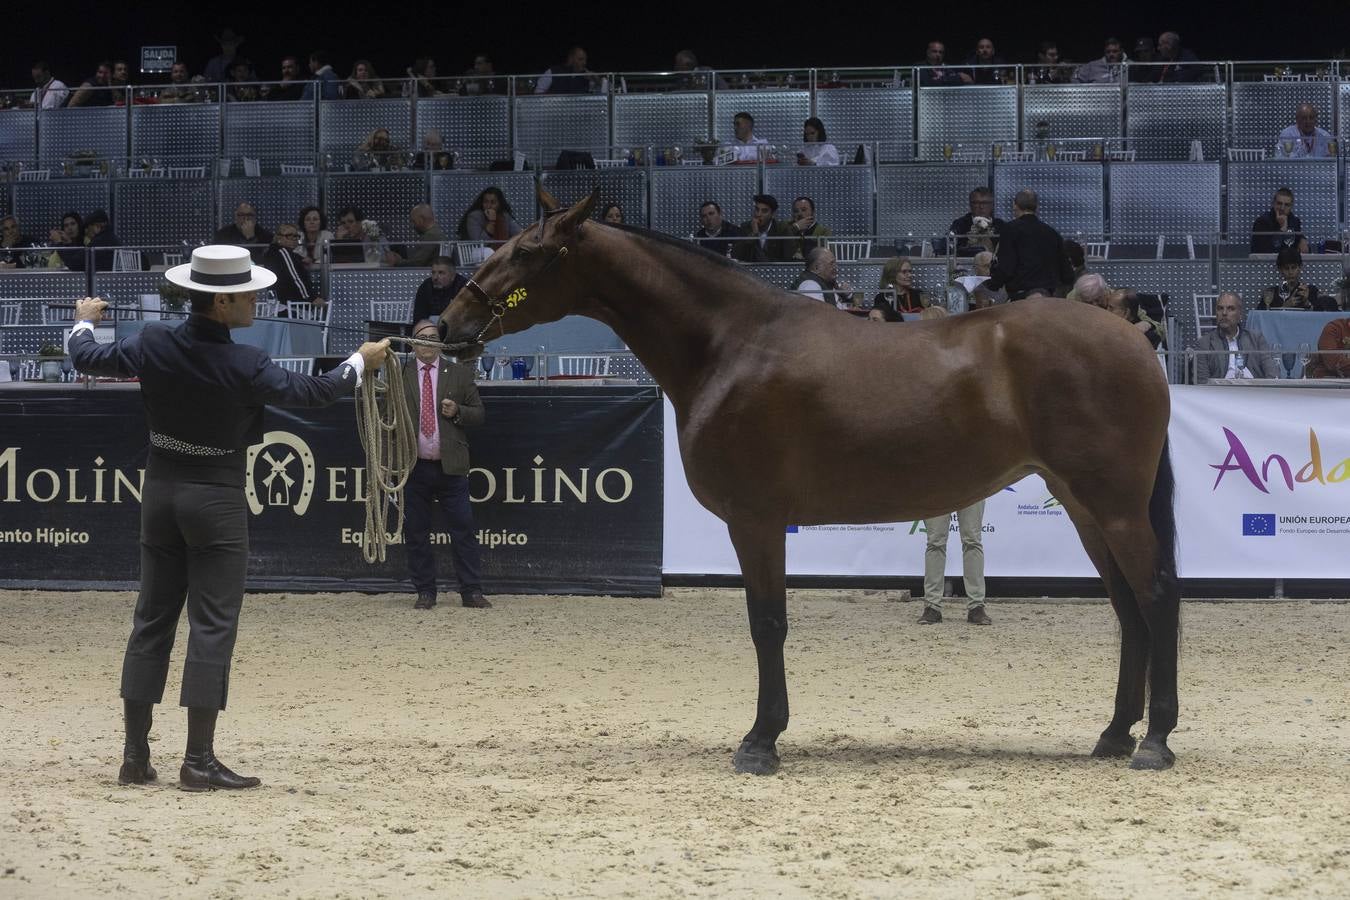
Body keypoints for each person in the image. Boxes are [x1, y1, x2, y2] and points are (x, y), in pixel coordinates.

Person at [67, 245, 390, 791]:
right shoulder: (245, 363)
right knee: (212, 625)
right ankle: (197, 760)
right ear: (221, 303)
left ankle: (135, 755)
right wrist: (361, 362)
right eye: (248, 294)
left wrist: (82, 322)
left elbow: (86, 358)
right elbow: (315, 393)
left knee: (151, 620)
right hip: (215, 494)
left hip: (161, 490)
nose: (257, 300)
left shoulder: (153, 343)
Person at [403, 319, 491, 611]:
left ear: (440, 343)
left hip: (451, 466)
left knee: (463, 529)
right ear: (412, 343)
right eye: (421, 337)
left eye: (432, 337)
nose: (427, 342)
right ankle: (425, 592)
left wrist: (458, 412)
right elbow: (384, 414)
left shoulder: (459, 373)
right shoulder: (399, 374)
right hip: (414, 466)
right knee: (416, 531)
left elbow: (478, 415)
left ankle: (471, 591)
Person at [916, 307, 991, 626]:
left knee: (970, 538)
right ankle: (934, 604)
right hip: (940, 469)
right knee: (938, 540)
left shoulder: (966, 371)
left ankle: (975, 604)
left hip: (967, 468)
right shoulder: (921, 377)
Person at [985, 190, 1074, 300]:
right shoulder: (1052, 232)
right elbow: (1067, 272)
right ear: (1037, 207)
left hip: (1021, 296)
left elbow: (1006, 266)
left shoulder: (1010, 230)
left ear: (1015, 205)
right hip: (1049, 298)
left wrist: (993, 284)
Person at [1194, 291, 1279, 383]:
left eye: (1230, 308)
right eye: (1220, 308)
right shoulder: (1204, 344)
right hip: (1221, 393)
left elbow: (1272, 374)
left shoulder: (1256, 339)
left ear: (1240, 314)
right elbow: (1201, 383)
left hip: (1254, 392)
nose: (1224, 313)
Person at [261, 224, 324, 309]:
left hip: (280, 306)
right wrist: (312, 298)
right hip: (290, 307)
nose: (294, 239)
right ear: (279, 238)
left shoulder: (275, 253)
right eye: (289, 236)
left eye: (296, 236)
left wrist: (301, 259)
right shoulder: (283, 253)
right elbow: (296, 278)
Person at [1259, 247, 1335, 311]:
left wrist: (1307, 303)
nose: (1290, 272)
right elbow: (1261, 317)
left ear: (1300, 268)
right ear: (1280, 270)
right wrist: (1284, 307)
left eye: (1293, 267)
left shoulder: (1311, 291)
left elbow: (1322, 316)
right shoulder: (1271, 293)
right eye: (1286, 268)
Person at [733, 194, 794, 263]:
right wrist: (754, 234)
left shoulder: (782, 229)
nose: (758, 214)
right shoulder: (745, 227)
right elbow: (736, 255)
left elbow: (787, 259)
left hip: (775, 270)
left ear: (773, 214)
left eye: (764, 211)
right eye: (757, 209)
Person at [945, 187, 1005, 257]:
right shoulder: (960, 224)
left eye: (985, 203)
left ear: (992, 205)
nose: (981, 207)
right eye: (976, 203)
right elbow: (951, 248)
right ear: (970, 205)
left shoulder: (1000, 225)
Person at [411, 257, 470, 324]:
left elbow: (468, 318)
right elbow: (419, 317)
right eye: (433, 273)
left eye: (441, 273)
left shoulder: (463, 287)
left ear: (453, 276)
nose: (435, 277)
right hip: (430, 329)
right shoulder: (426, 286)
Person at [1250, 188, 1309, 255]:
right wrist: (1282, 230)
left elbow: (1301, 247)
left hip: (1289, 263)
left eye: (1286, 205)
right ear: (1273, 203)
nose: (1282, 208)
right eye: (1279, 203)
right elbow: (1265, 251)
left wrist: (1302, 239)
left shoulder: (1294, 221)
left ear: (1291, 207)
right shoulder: (1262, 222)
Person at [793, 247, 857, 308]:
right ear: (817, 268)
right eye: (831, 264)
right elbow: (818, 315)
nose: (835, 267)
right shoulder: (809, 285)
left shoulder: (828, 281)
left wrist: (848, 295)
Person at [458, 187, 522, 245]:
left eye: (493, 202)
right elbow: (479, 243)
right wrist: (491, 222)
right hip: (478, 253)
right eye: (486, 202)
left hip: (501, 252)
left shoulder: (504, 216)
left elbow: (519, 234)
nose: (488, 206)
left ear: (499, 204)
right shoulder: (474, 216)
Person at [787, 196, 830, 261]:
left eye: (804, 210)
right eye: (796, 211)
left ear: (813, 212)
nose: (800, 214)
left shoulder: (823, 231)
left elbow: (824, 257)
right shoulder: (786, 227)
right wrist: (795, 228)